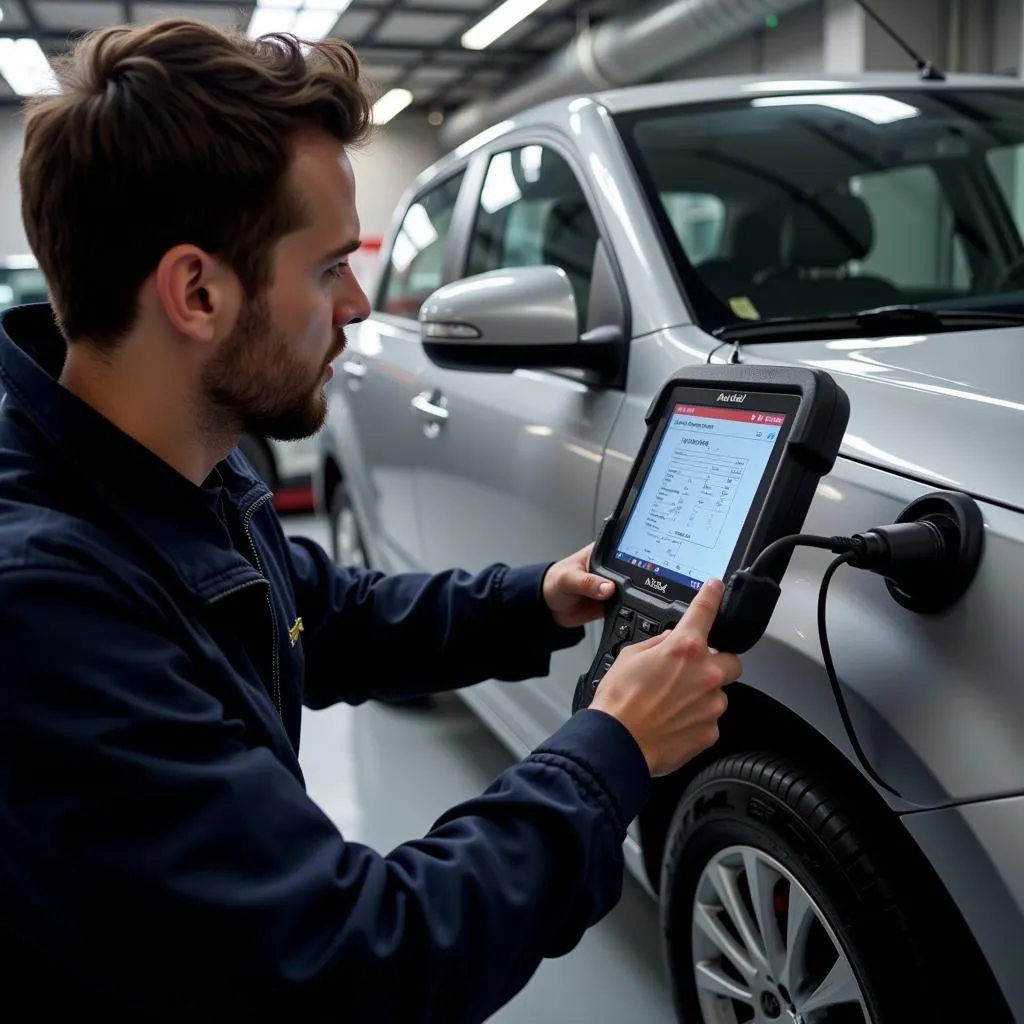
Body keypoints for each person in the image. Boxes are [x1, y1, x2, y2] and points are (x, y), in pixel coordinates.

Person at [0, 19, 742, 1022]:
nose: (360, 304)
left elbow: (319, 610)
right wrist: (612, 745)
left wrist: (535, 601)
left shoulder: (165, 470)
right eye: (326, 269)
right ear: (196, 291)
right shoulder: (45, 608)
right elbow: (356, 962)